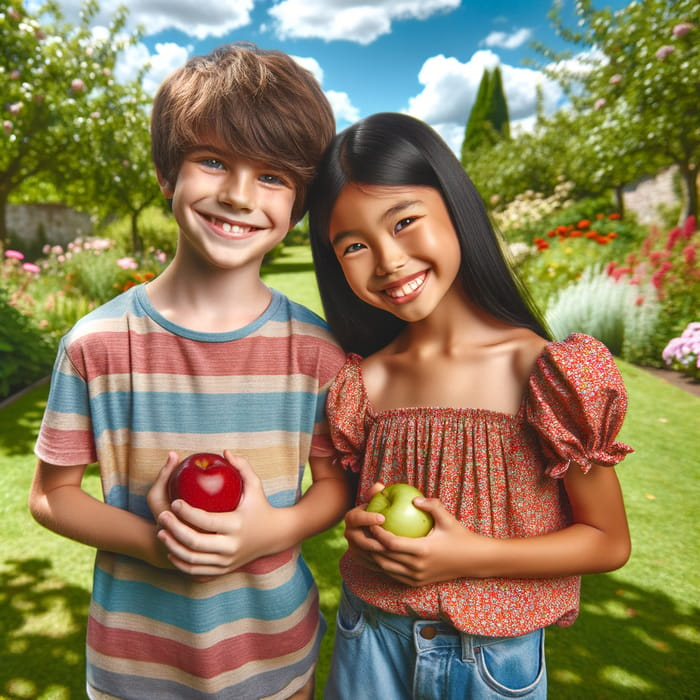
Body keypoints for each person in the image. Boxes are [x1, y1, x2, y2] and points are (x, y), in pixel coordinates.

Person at [29, 42, 351, 700]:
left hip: (275, 663)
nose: (237, 195)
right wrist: (155, 543)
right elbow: (51, 495)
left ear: (300, 204)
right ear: (166, 171)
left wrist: (274, 530)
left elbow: (336, 486)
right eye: (212, 160)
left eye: (272, 176)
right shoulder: (96, 344)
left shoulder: (317, 352)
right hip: (135, 669)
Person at [307, 112, 633, 699]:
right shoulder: (365, 383)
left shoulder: (544, 373)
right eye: (354, 245)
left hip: (489, 663)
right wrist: (364, 531)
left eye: (404, 221)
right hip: (369, 638)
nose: (387, 260)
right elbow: (348, 504)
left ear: (456, 208)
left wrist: (468, 556)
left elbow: (608, 541)